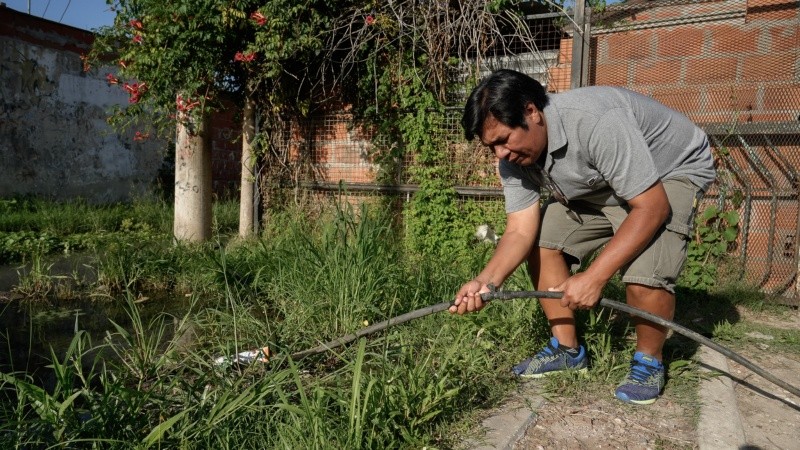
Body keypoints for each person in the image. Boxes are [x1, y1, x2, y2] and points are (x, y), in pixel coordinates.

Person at [449, 69, 716, 405]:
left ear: (532, 112)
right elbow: (519, 229)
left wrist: (594, 277)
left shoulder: (595, 121)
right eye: (492, 146)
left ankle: (650, 360)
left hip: (669, 171)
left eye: (503, 140)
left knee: (643, 275)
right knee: (542, 244)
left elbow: (652, 208)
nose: (500, 154)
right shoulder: (513, 160)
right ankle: (567, 350)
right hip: (601, 183)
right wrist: (486, 282)